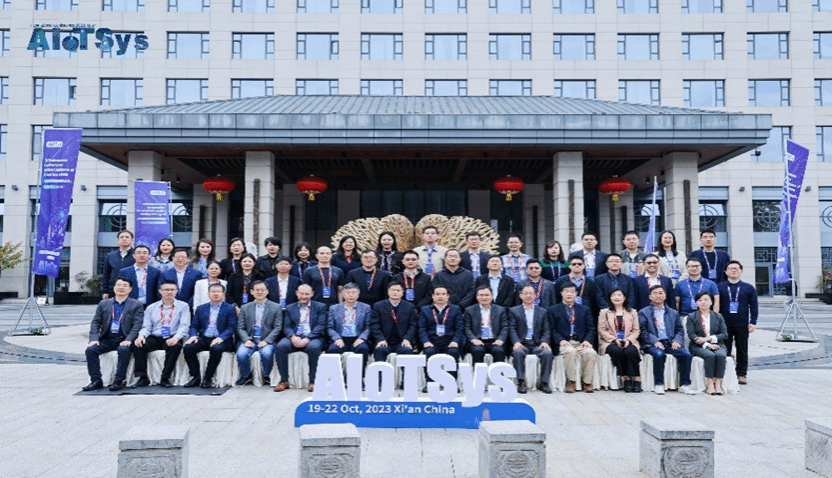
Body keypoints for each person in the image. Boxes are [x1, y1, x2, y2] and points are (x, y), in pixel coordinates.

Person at [82, 277, 144, 392]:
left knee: (123, 350)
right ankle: (96, 380)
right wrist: (94, 339)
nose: (121, 288)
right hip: (108, 339)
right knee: (91, 350)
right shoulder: (104, 304)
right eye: (118, 285)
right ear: (114, 288)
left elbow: (137, 325)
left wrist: (129, 340)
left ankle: (119, 380)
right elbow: (96, 323)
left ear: (130, 289)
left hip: (125, 338)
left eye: (125, 286)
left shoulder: (136, 304)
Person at [638, 285, 695, 395]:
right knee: (659, 354)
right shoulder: (643, 312)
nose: (658, 296)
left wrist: (676, 340)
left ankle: (684, 385)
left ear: (665, 296)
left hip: (670, 342)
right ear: (650, 296)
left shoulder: (673, 312)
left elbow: (679, 330)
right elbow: (643, 331)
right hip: (652, 343)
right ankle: (659, 384)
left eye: (660, 293)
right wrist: (655, 341)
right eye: (655, 293)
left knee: (686, 355)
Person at [132, 279, 190, 388]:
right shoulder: (151, 307)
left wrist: (176, 338)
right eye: (166, 290)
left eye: (172, 290)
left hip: (172, 336)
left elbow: (184, 325)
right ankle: (142, 377)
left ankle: (165, 378)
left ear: (176, 291)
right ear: (160, 291)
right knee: (139, 344)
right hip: (155, 337)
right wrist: (141, 336)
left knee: (175, 347)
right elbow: (146, 326)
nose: (169, 292)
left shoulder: (183, 306)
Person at [274, 284, 328, 392]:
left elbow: (321, 325)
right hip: (295, 336)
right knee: (280, 347)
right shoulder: (290, 307)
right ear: (297, 293)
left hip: (313, 337)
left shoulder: (320, 307)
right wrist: (292, 337)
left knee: (314, 348)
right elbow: (287, 326)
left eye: (307, 294)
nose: (304, 296)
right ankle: (284, 381)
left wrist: (308, 338)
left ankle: (313, 381)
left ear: (312, 294)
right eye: (301, 294)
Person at [183, 283, 237, 388]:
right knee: (188, 347)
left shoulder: (230, 308)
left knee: (216, 348)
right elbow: (194, 326)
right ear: (208, 294)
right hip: (204, 338)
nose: (215, 294)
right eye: (213, 291)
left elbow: (231, 327)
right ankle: (195, 377)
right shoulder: (201, 308)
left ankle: (208, 377)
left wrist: (220, 338)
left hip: (222, 339)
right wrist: (193, 336)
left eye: (218, 292)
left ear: (223, 294)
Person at [549, 282, 597, 393]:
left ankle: (587, 382)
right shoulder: (553, 310)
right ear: (561, 293)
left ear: (576, 294)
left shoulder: (584, 309)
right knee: (570, 351)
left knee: (591, 352)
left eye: (572, 292)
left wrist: (587, 340)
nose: (569, 294)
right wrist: (560, 340)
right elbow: (551, 329)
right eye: (566, 291)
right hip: (564, 342)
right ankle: (571, 381)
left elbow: (591, 328)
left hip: (580, 342)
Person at [718, 260, 758, 385]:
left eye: (736, 268)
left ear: (741, 271)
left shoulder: (748, 288)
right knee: (725, 350)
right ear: (726, 272)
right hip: (724, 324)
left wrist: (753, 321)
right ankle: (725, 373)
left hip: (742, 323)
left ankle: (741, 374)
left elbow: (754, 306)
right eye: (731, 268)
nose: (734, 270)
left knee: (742, 349)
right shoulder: (720, 287)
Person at [508, 285, 553, 394]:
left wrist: (544, 341)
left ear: (535, 295)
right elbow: (512, 328)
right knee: (518, 352)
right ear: (520, 295)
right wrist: (516, 342)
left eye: (531, 293)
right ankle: (521, 382)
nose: (528, 296)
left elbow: (546, 329)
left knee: (547, 353)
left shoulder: (542, 311)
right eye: (525, 293)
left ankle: (544, 382)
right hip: (522, 343)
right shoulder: (514, 311)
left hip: (537, 343)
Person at [235, 280, 282, 386]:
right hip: (250, 339)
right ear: (252, 292)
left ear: (267, 291)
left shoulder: (276, 307)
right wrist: (246, 340)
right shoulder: (245, 307)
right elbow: (240, 327)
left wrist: (267, 341)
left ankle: (266, 376)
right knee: (241, 354)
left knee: (266, 353)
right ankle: (246, 376)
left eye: (262, 290)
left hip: (266, 339)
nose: (259, 292)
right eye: (257, 290)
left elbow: (277, 328)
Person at [419, 286, 465, 392]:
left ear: (448, 296)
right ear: (433, 296)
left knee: (453, 353)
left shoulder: (455, 309)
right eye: (437, 294)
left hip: (449, 342)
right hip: (432, 342)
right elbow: (421, 328)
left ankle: (451, 383)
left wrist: (455, 341)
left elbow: (459, 328)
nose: (440, 296)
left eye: (443, 294)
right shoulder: (425, 310)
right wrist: (426, 341)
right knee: (429, 352)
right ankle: (430, 383)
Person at [598, 288, 642, 393]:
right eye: (613, 295)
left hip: (629, 340)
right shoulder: (604, 312)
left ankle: (636, 378)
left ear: (624, 297)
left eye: (619, 295)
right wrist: (614, 340)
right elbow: (601, 329)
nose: (616, 297)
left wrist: (629, 340)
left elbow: (636, 330)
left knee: (630, 351)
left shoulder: (632, 312)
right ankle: (626, 378)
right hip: (610, 341)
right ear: (610, 298)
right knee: (616, 351)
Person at [326, 283, 372, 370]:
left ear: (358, 295)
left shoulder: (366, 308)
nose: (351, 295)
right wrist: (337, 338)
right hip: (340, 338)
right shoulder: (334, 308)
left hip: (357, 338)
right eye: (348, 293)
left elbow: (368, 327)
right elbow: (329, 327)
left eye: (353, 293)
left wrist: (362, 338)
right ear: (343, 295)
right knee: (333, 350)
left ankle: (360, 375)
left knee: (363, 349)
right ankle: (337, 377)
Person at [371, 281, 418, 362]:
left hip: (402, 341)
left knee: (407, 350)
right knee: (380, 350)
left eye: (398, 290)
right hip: (384, 340)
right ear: (388, 292)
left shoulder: (409, 307)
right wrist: (380, 339)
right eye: (393, 290)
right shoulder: (378, 306)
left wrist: (407, 339)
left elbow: (413, 325)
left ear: (402, 293)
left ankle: (404, 371)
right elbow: (374, 325)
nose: (395, 292)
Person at [464, 286, 508, 365]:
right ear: (476, 297)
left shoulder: (500, 310)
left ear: (492, 296)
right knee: (477, 351)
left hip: (495, 341)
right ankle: (478, 373)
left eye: (487, 295)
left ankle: (499, 373)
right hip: (477, 340)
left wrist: (500, 340)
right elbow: (467, 328)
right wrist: (474, 339)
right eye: (481, 295)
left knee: (499, 351)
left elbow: (505, 327)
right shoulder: (469, 310)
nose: (484, 297)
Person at [554, 256, 602, 324]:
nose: (577, 266)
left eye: (579, 264)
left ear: (584, 266)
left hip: (584, 314)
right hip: (565, 314)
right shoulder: (561, 280)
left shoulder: (590, 282)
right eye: (574, 264)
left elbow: (593, 299)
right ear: (569, 266)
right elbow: (557, 297)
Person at [102, 229, 135, 299]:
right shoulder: (111, 256)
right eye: (122, 237)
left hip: (132, 290)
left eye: (127, 237)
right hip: (114, 290)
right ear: (117, 240)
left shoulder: (136, 255)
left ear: (132, 240)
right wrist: (105, 291)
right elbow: (106, 274)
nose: (124, 239)